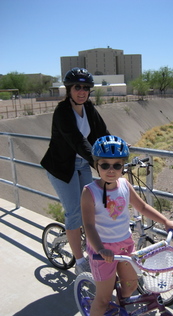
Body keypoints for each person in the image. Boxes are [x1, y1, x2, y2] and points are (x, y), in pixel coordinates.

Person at [81, 135, 173, 316]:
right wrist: (100, 249)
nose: (111, 170)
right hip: (102, 251)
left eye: (117, 166)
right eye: (105, 165)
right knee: (102, 299)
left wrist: (166, 221)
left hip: (125, 245)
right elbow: (89, 226)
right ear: (96, 165)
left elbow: (142, 207)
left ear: (123, 166)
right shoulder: (89, 192)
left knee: (129, 286)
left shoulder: (125, 186)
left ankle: (120, 315)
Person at [41, 67, 110, 275]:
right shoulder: (62, 112)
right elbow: (77, 141)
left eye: (86, 88)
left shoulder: (89, 108)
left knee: (89, 210)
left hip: (81, 165)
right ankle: (80, 262)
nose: (82, 91)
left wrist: (118, 151)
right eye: (77, 87)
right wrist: (98, 162)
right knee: (73, 213)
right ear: (69, 89)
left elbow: (102, 134)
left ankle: (88, 248)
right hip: (61, 167)